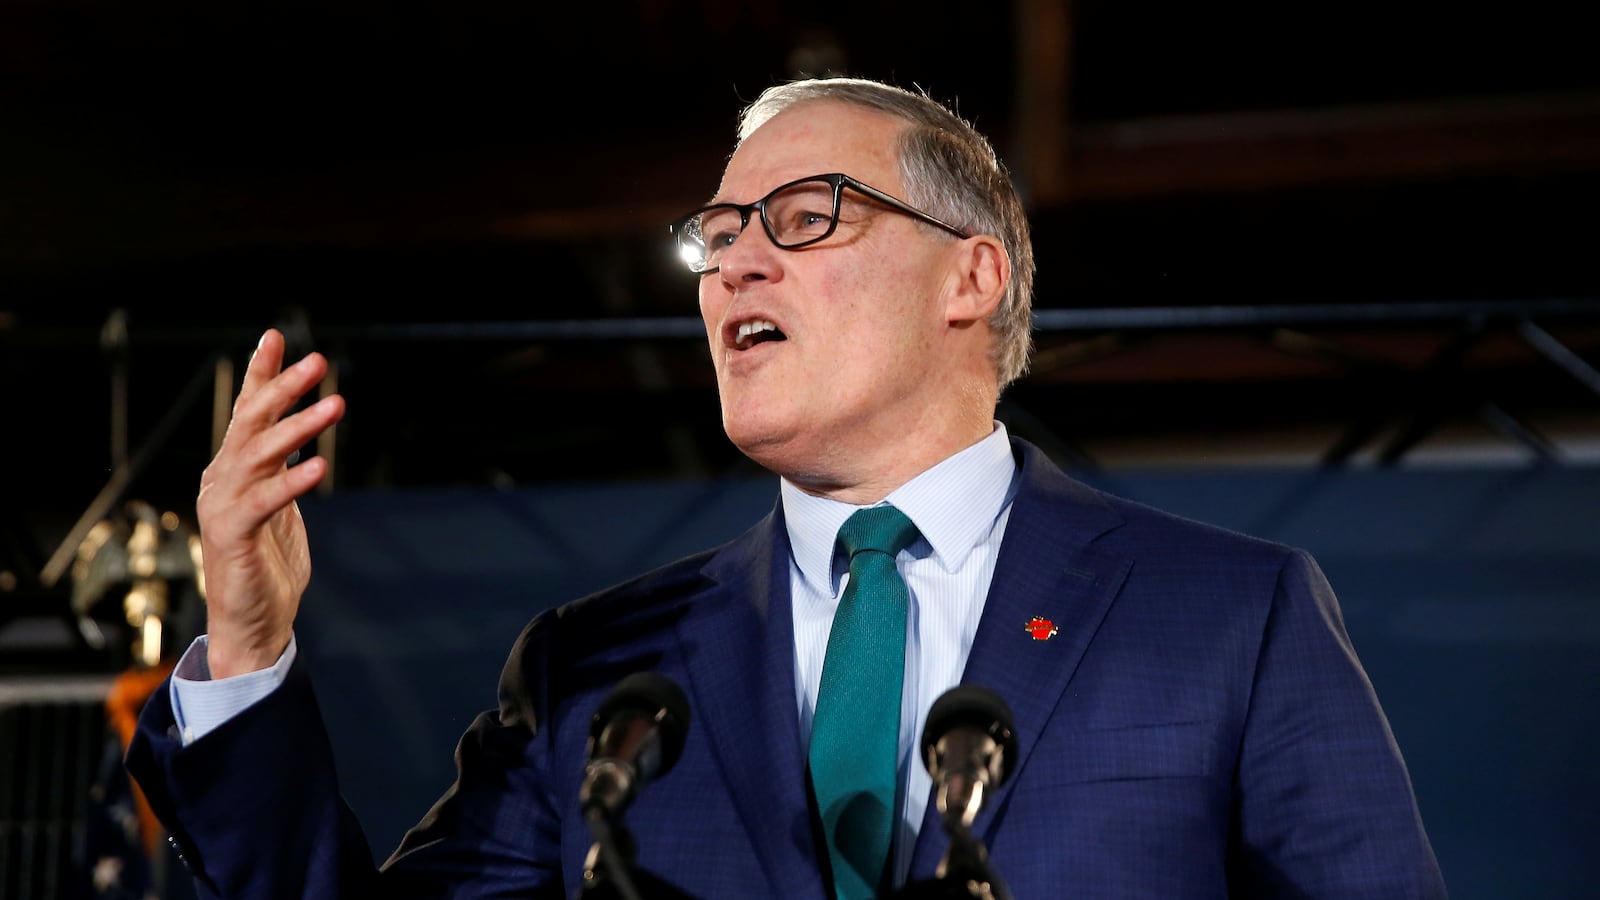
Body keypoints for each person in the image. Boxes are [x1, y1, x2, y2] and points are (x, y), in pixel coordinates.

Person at [126, 76, 1447, 899]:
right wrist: (245, 643)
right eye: (716, 233)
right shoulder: (598, 670)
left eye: (805, 214)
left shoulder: (1229, 616)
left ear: (970, 277)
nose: (732, 266)